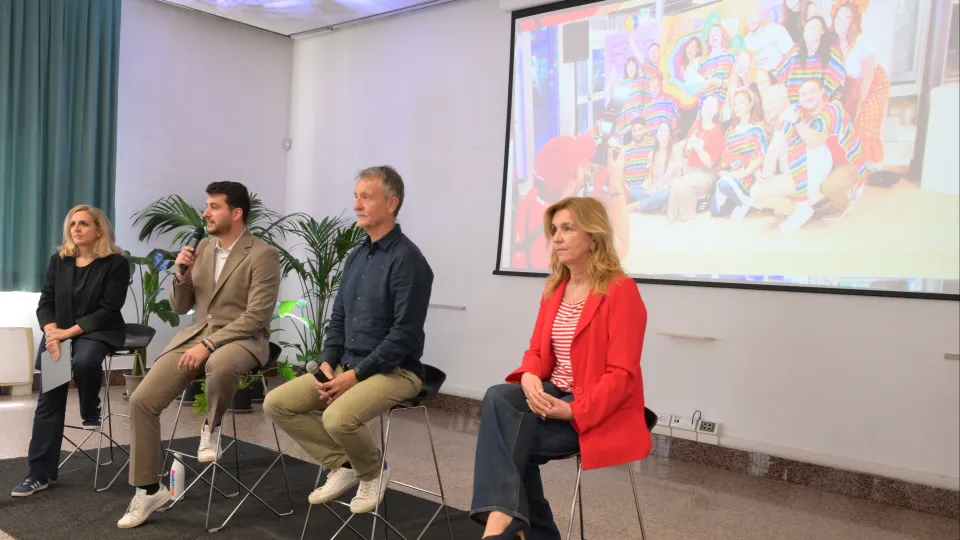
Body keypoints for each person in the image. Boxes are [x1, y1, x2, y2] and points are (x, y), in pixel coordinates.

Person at [470, 196, 650, 540]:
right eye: (554, 230)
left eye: (568, 228)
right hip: (553, 395)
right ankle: (512, 523)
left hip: (596, 410)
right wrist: (528, 375)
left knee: (508, 445)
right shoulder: (556, 287)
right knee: (499, 397)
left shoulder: (621, 290)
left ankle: (504, 523)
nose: (557, 237)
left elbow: (622, 375)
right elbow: (537, 351)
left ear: (593, 237)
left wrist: (572, 409)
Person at [263, 166, 432, 515]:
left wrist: (354, 376)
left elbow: (404, 334)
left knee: (337, 419)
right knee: (276, 403)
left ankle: (373, 471)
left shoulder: (409, 261)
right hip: (347, 364)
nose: (357, 205)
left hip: (396, 371)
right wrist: (328, 360)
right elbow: (338, 318)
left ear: (392, 203)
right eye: (356, 196)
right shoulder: (356, 256)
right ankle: (344, 464)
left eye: (366, 197)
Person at [117, 181, 282, 528]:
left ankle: (212, 426)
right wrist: (181, 276)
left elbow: (257, 316)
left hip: (244, 338)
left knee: (221, 363)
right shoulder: (203, 248)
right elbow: (181, 308)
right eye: (206, 205)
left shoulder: (262, 254)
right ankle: (148, 490)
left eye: (213, 206)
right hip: (197, 334)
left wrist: (209, 345)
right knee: (141, 400)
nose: (205, 212)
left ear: (236, 213)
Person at [11, 205, 129, 497]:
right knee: (49, 399)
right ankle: (39, 474)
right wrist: (51, 332)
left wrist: (66, 333)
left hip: (98, 329)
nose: (76, 228)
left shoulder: (115, 263)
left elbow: (108, 310)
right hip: (58, 334)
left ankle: (90, 406)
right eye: (73, 223)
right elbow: (46, 302)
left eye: (84, 224)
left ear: (99, 230)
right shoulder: (60, 261)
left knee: (86, 360)